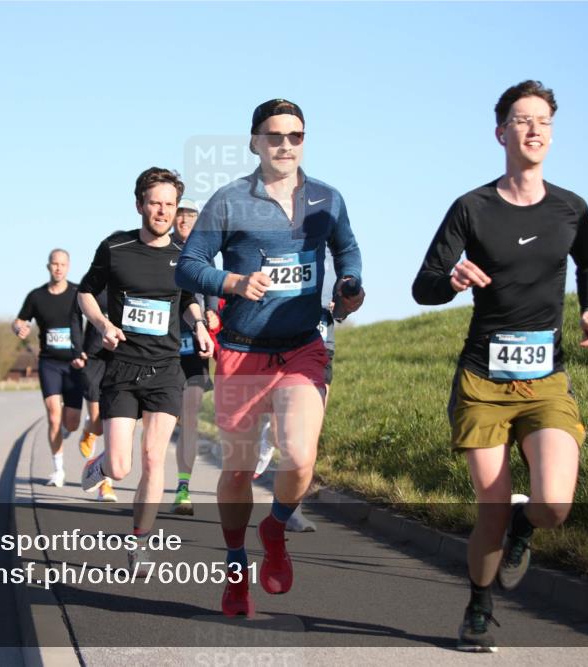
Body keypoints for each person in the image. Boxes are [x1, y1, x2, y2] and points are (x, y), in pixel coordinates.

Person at [411, 80, 588, 653]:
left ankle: (529, 526)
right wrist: (451, 278)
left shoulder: (572, 207)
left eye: (543, 120)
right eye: (522, 120)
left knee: (553, 505)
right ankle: (479, 604)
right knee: (490, 511)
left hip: (546, 379)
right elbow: (423, 286)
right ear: (501, 133)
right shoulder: (472, 207)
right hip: (483, 381)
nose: (534, 129)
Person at [176, 99, 364, 617]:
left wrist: (350, 285)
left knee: (300, 458)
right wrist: (232, 282)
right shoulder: (230, 200)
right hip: (240, 352)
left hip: (302, 347)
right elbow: (189, 267)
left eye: (295, 136)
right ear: (255, 141)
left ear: (305, 140)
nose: (285, 145)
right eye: (274, 136)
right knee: (237, 473)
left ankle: (275, 527)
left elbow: (346, 250)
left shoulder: (327, 198)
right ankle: (237, 571)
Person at [78, 167, 213, 568]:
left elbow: (188, 298)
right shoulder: (115, 248)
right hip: (122, 368)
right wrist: (103, 324)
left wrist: (200, 325)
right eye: (155, 203)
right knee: (120, 467)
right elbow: (86, 292)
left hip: (165, 369)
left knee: (155, 458)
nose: (163, 211)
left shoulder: (184, 255)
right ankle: (98, 464)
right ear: (139, 204)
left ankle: (139, 540)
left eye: (170, 204)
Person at [254, 253, 341, 532]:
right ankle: (268, 437)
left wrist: (340, 306)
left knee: (307, 438)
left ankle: (291, 509)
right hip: (284, 349)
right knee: (284, 435)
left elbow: (341, 311)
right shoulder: (285, 250)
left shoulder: (336, 258)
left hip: (321, 347)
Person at [14, 249, 86, 487]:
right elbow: (19, 320)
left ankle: (67, 431)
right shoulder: (36, 296)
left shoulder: (79, 293)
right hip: (49, 363)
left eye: (62, 264)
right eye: (54, 264)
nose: (58, 268)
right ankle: (58, 470)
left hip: (75, 364)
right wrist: (19, 329)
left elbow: (97, 317)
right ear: (48, 267)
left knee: (71, 422)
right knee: (54, 416)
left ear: (68, 267)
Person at [171, 198, 221, 516]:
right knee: (153, 421)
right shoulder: (161, 249)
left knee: (189, 415)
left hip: (194, 339)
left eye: (191, 215)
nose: (185, 220)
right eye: (181, 214)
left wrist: (213, 312)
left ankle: (183, 486)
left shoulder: (205, 254)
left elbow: (213, 289)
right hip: (160, 343)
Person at [73, 290, 117, 502]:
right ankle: (90, 429)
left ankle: (105, 485)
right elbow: (74, 315)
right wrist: (77, 348)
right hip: (93, 356)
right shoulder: (94, 282)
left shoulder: (130, 279)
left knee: (111, 423)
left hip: (118, 356)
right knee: (99, 423)